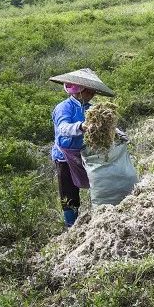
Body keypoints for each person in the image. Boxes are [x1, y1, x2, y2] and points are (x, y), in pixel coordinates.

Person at [48, 68, 116, 227]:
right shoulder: (64, 108)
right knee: (69, 192)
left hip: (85, 154)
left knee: (98, 183)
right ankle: (71, 225)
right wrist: (81, 126)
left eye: (93, 91)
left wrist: (117, 132)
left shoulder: (90, 108)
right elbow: (63, 128)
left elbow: (103, 124)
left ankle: (102, 214)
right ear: (79, 90)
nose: (93, 94)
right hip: (65, 157)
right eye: (90, 90)